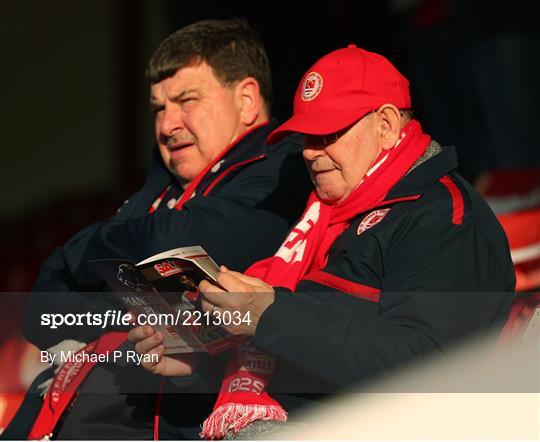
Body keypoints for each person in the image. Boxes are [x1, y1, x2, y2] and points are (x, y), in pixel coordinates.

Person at [131, 44, 516, 439]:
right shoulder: (326, 214)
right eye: (304, 138)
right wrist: (195, 363)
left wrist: (271, 314)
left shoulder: (441, 215)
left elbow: (427, 367)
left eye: (328, 133)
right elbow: (311, 353)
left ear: (385, 125)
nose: (311, 153)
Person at [16, 19, 311, 440]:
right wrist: (128, 313)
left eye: (186, 100)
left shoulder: (281, 170)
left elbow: (172, 241)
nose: (167, 126)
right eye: (158, 108)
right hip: (62, 416)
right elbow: (41, 307)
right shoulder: (159, 185)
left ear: (247, 100)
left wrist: (82, 255)